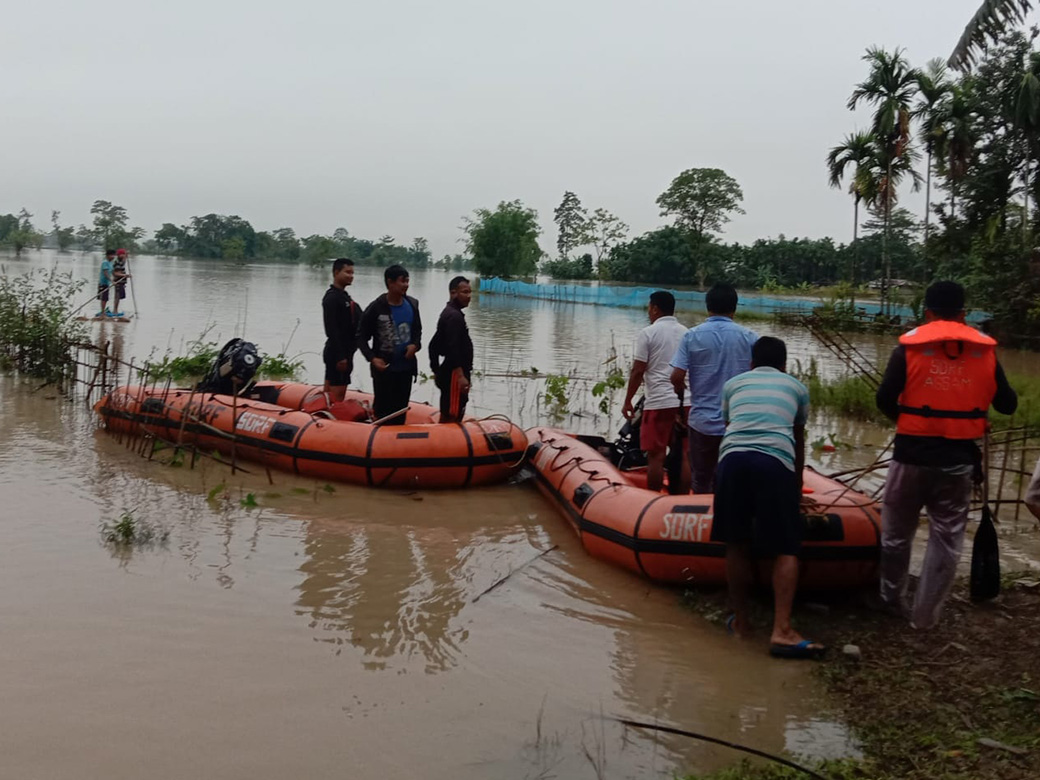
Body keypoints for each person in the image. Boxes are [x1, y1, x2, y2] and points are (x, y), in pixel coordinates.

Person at [875, 281, 1017, 629]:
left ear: (927, 312)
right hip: (958, 460)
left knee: (895, 534)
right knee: (947, 537)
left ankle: (891, 599)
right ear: (964, 313)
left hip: (910, 454)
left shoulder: (907, 350)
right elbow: (1008, 404)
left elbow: (883, 399)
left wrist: (910, 422)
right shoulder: (985, 353)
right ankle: (925, 618)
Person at [711, 336, 820, 659]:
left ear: (751, 363)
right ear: (784, 365)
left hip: (731, 461)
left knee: (735, 542)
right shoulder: (797, 388)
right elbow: (797, 440)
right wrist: (796, 489)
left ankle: (741, 622)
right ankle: (782, 630)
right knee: (786, 548)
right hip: (774, 462)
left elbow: (733, 427)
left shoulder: (733, 385)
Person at [669, 283, 758, 493]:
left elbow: (676, 376)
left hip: (703, 424)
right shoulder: (751, 338)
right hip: (738, 424)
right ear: (734, 309)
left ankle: (704, 519)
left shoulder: (691, 336)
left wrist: (681, 394)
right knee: (732, 481)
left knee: (701, 479)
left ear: (707, 307)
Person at [622, 290, 690, 492]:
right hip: (685, 401)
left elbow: (638, 370)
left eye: (649, 308)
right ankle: (685, 500)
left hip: (659, 401)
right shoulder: (687, 332)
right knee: (685, 455)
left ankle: (653, 500)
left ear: (655, 308)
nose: (648, 312)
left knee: (655, 456)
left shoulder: (648, 333)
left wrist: (628, 401)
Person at [358, 264, 422, 424]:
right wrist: (373, 359)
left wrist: (415, 346)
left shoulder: (413, 305)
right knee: (383, 413)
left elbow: (417, 333)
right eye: (402, 281)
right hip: (385, 371)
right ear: (390, 282)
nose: (406, 285)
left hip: (406, 370)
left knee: (400, 412)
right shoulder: (376, 308)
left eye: (408, 281)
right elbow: (360, 337)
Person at [429, 276, 474, 423]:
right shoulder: (454, 317)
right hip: (454, 375)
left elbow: (433, 346)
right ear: (453, 293)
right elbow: (453, 349)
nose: (469, 296)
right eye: (465, 292)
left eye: (470, 292)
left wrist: (436, 370)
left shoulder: (450, 313)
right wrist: (460, 376)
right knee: (452, 414)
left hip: (451, 372)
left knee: (452, 408)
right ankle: (446, 442)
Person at [321, 258, 362, 402]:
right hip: (338, 353)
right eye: (347, 272)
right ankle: (328, 421)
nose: (351, 276)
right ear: (336, 272)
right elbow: (331, 329)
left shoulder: (344, 297)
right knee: (336, 396)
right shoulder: (332, 298)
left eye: (352, 273)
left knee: (331, 391)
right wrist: (340, 356)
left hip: (345, 352)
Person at [97, 249, 116, 317]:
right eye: (112, 255)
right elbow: (106, 273)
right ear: (107, 255)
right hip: (103, 282)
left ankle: (103, 311)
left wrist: (116, 278)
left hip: (107, 283)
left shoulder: (111, 263)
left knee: (106, 298)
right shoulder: (105, 262)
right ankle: (102, 312)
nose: (113, 257)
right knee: (103, 298)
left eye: (114, 255)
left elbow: (113, 272)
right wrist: (111, 280)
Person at [112, 248, 130, 316]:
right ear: (119, 255)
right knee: (117, 296)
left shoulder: (121, 262)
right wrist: (125, 275)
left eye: (123, 255)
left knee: (119, 297)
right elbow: (115, 273)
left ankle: (115, 310)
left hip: (122, 282)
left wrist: (126, 255)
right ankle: (115, 310)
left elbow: (124, 262)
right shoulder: (117, 262)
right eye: (122, 254)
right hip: (117, 281)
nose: (123, 256)